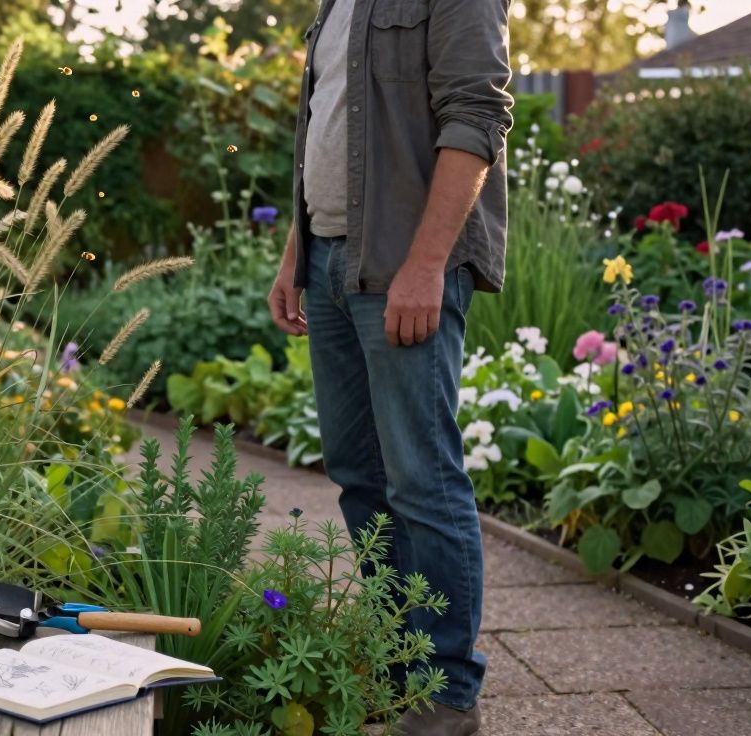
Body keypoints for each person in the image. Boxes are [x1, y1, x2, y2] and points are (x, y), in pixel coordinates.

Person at [266, 1, 513, 734]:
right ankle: (400, 666)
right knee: (359, 475)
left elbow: (477, 116)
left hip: (403, 266)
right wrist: (296, 256)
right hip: (333, 259)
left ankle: (447, 694)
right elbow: (324, 126)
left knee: (422, 479)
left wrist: (428, 264)